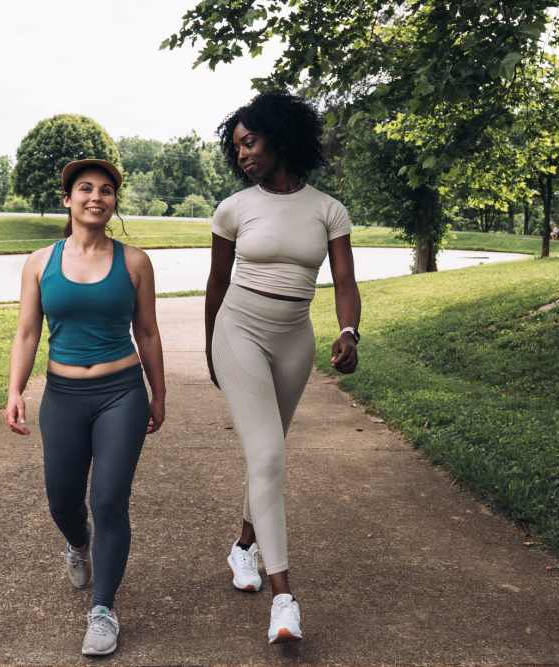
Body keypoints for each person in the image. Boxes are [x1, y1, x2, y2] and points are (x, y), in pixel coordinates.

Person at [205, 92, 362, 644]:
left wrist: (348, 330)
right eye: (236, 148)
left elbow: (344, 280)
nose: (243, 154)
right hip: (239, 331)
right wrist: (210, 348)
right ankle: (284, 600)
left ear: (279, 135)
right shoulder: (234, 208)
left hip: (295, 339)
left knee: (265, 456)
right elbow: (216, 284)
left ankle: (243, 547)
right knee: (268, 454)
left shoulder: (328, 209)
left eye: (250, 141)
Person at [5, 159, 166, 656]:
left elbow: (148, 332)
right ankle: (78, 545)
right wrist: (15, 390)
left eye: (106, 190)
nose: (97, 197)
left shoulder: (135, 262)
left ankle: (103, 609)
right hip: (63, 396)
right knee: (62, 500)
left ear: (114, 201)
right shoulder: (39, 262)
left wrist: (158, 393)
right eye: (85, 189)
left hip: (122, 392)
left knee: (110, 501)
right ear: (68, 199)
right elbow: (28, 331)